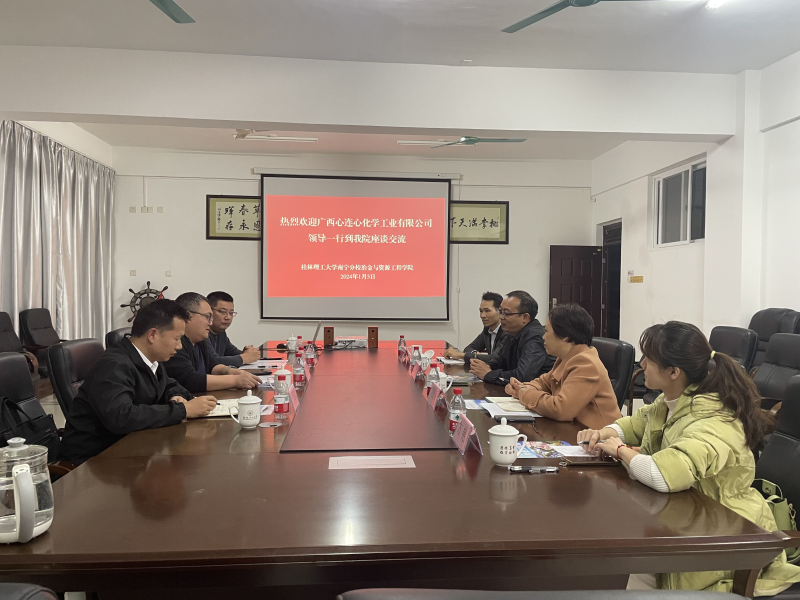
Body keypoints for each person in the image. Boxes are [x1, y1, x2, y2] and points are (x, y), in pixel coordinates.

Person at [578, 321, 800, 595]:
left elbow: (662, 475)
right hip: (684, 518)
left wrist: (620, 450)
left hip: (725, 535)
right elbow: (637, 423)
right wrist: (603, 433)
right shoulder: (672, 401)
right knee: (619, 564)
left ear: (674, 372)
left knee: (621, 569)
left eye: (649, 359)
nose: (642, 364)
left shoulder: (712, 419)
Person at [59, 299, 218, 465]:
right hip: (93, 463)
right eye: (177, 339)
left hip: (129, 450)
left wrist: (176, 396)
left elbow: (169, 385)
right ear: (152, 335)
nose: (179, 346)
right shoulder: (114, 365)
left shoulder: (150, 360)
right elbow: (121, 417)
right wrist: (182, 410)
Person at [506, 303, 622, 429]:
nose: (543, 337)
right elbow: (543, 383)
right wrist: (522, 387)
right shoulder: (566, 357)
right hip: (573, 429)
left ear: (565, 336)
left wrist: (525, 394)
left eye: (547, 331)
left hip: (597, 436)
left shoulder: (586, 364)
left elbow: (561, 409)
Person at [164, 292, 261, 393]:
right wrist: (235, 381)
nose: (210, 323)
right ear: (188, 316)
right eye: (207, 317)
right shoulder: (177, 343)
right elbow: (190, 380)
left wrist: (232, 372)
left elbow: (213, 365)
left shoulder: (200, 340)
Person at [468, 290, 555, 386]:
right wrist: (482, 366)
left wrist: (489, 374)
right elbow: (498, 362)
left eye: (506, 313)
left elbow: (521, 377)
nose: (501, 317)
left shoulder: (535, 337)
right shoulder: (511, 333)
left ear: (525, 317)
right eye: (500, 312)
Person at [443, 291, 506, 360]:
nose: (482, 315)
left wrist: (461, 355)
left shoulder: (506, 332)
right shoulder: (487, 330)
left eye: (487, 311)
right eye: (481, 311)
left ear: (500, 312)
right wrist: (475, 354)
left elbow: (495, 358)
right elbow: (468, 348)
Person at [206, 291, 260, 367]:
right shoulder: (202, 333)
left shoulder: (221, 332)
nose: (228, 317)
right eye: (223, 312)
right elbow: (214, 361)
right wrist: (244, 357)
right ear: (209, 312)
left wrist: (247, 353)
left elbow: (231, 352)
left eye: (231, 313)